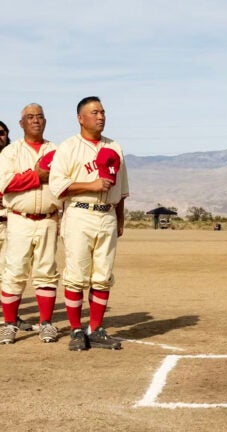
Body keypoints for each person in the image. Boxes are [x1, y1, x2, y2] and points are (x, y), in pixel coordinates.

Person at [49, 96, 129, 351]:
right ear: (80, 118)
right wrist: (90, 185)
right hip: (80, 213)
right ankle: (75, 330)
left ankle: (95, 329)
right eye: (94, 112)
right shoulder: (68, 147)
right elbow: (57, 187)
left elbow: (122, 189)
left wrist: (119, 217)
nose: (101, 116)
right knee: (76, 276)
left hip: (106, 214)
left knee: (103, 276)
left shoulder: (115, 146)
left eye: (103, 112)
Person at [0, 104, 62, 344]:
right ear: (21, 123)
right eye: (30, 117)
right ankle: (9, 324)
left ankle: (46, 323)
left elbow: (64, 184)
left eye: (39, 117)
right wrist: (37, 176)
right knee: (14, 272)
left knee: (46, 272)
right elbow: (5, 183)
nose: (35, 121)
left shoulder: (57, 150)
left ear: (45, 121)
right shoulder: (10, 153)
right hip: (19, 218)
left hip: (48, 218)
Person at [0, 120, 35, 333]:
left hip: (11, 222)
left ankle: (11, 317)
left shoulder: (15, 158)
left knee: (12, 273)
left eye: (2, 132)